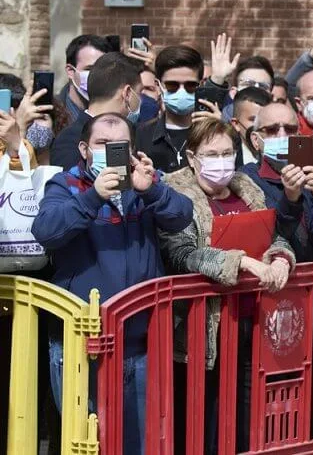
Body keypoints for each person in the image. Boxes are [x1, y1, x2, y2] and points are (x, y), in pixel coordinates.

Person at [31, 113, 193, 455]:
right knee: (89, 443)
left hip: (140, 344)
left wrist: (153, 189)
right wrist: (93, 199)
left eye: (119, 146)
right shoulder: (66, 184)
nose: (110, 152)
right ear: (84, 149)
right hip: (81, 346)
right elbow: (46, 230)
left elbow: (181, 216)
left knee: (137, 443)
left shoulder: (144, 184)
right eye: (102, 144)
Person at [158, 119, 295, 453]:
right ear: (191, 157)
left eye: (227, 153)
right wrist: (241, 262)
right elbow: (181, 253)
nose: (221, 161)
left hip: (253, 323)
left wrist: (280, 257)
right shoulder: (174, 194)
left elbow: (274, 235)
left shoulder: (248, 188)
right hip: (202, 330)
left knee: (247, 421)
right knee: (202, 424)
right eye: (211, 154)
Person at [243, 102, 313, 262]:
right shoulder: (247, 178)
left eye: (289, 129)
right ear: (255, 140)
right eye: (272, 130)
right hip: (282, 278)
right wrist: (291, 199)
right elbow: (273, 234)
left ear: (299, 134)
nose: (282, 135)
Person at [50, 52, 145, 169]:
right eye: (139, 93)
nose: (141, 100)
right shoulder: (70, 140)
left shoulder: (134, 133)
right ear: (128, 93)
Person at [136, 45, 218, 173]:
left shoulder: (213, 133)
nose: (181, 91)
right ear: (158, 86)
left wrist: (221, 130)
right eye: (172, 85)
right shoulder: (141, 134)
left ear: (201, 86)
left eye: (190, 85)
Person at [59, 35, 114, 125]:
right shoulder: (50, 115)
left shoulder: (118, 114)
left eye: (103, 68)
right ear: (71, 71)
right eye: (90, 69)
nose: (97, 75)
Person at [230, 87, 270, 168]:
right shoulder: (229, 158)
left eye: (268, 119)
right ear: (236, 124)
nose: (263, 126)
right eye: (254, 120)